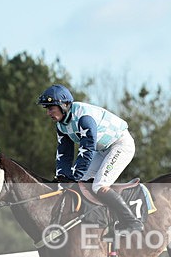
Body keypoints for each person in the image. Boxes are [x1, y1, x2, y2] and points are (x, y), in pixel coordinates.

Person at [38, 84, 143, 234]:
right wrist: (63, 177)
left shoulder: (84, 118)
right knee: (80, 184)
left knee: (99, 185)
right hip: (102, 149)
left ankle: (132, 222)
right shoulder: (61, 125)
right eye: (46, 109)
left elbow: (86, 150)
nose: (48, 113)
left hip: (120, 145)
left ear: (64, 105)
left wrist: (74, 176)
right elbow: (64, 153)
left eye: (50, 108)